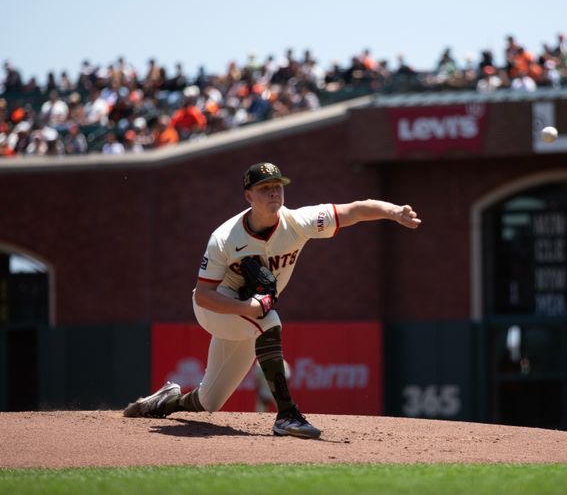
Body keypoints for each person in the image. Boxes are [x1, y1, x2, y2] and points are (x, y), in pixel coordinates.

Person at [123, 162, 421, 439]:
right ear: (248, 195)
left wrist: (393, 211)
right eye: (265, 188)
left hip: (247, 315)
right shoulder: (225, 238)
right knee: (268, 320)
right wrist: (247, 307)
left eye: (278, 186)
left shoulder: (299, 222)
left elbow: (354, 210)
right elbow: (203, 296)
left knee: (209, 400)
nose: (274, 192)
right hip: (216, 308)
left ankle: (165, 401)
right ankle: (287, 415)